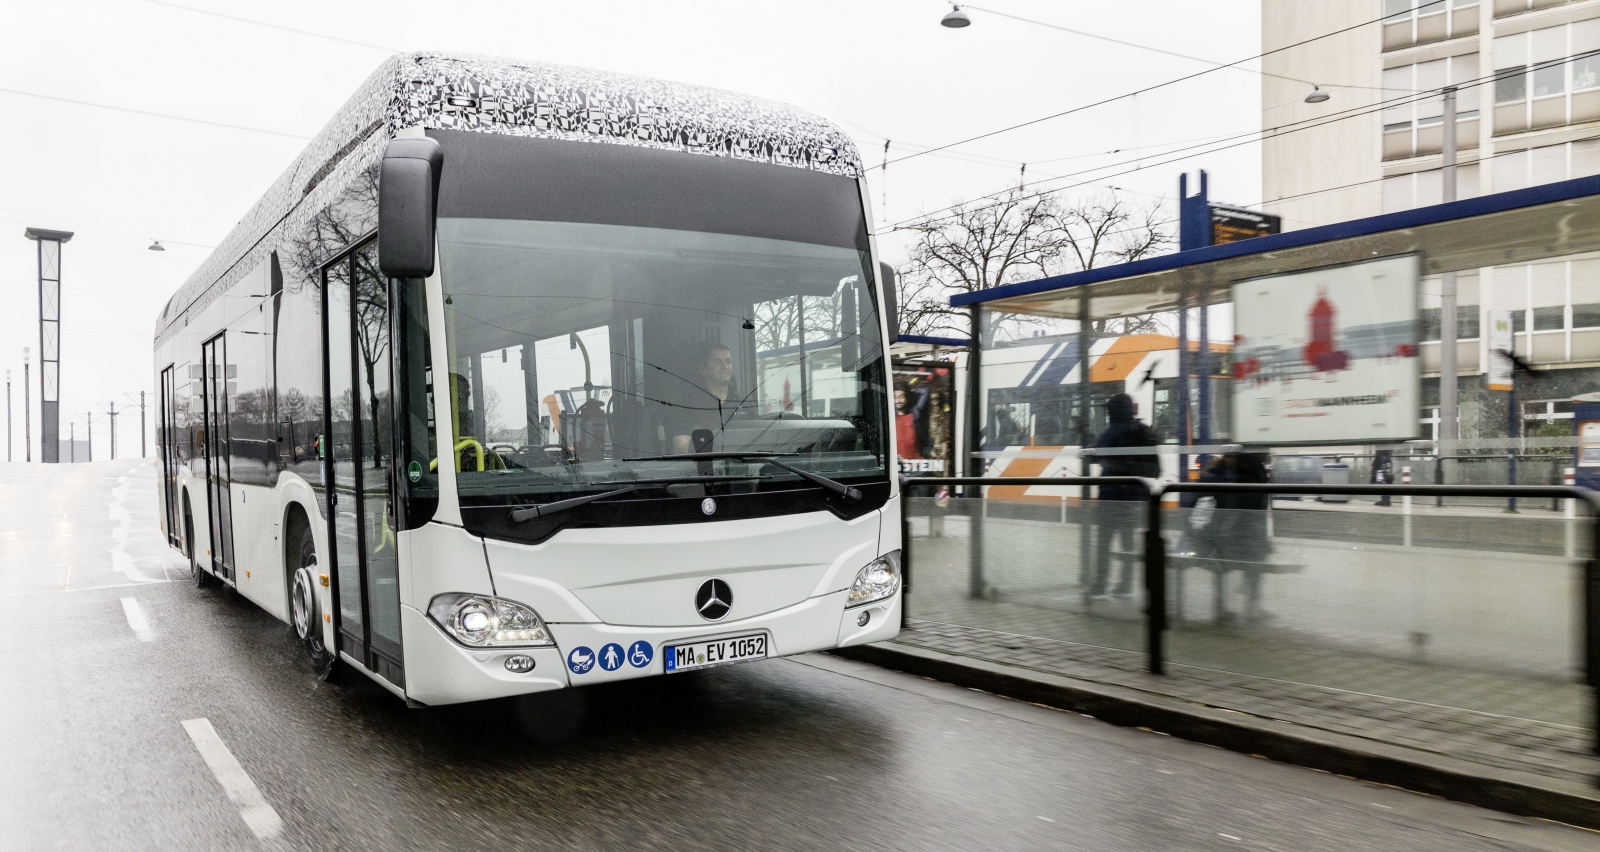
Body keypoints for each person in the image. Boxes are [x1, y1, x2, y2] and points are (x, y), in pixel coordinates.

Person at [1179, 453, 1272, 620]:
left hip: (1205, 542)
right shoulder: (1250, 478)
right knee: (1256, 555)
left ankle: (1221, 607)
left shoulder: (1210, 474)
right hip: (1234, 545)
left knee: (1222, 557)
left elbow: (1191, 506)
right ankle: (1252, 606)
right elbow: (1252, 515)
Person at [1089, 393, 1160, 599]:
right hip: (1136, 497)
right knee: (1128, 543)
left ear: (1113, 411)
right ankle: (1126, 585)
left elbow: (1094, 455)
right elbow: (1155, 469)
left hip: (1111, 496)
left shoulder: (1111, 432)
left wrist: (1114, 465)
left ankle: (1100, 585)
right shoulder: (1145, 432)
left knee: (1104, 543)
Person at [671, 342, 753, 454]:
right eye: (717, 362)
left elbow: (763, 440)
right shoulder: (689, 406)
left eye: (728, 361)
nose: (725, 366)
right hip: (705, 469)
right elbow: (680, 446)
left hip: (742, 469)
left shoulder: (744, 402)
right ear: (703, 369)